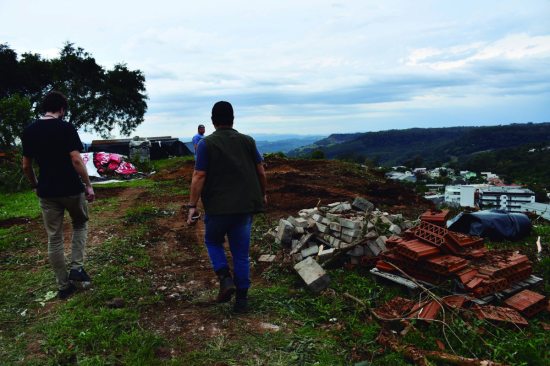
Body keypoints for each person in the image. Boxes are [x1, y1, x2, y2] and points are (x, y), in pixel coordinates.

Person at [186, 101, 267, 313]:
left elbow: (199, 175)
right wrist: (263, 194)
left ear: (213, 121)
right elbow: (260, 171)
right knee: (241, 253)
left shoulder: (206, 144)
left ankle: (224, 278)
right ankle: (242, 300)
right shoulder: (248, 141)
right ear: (233, 119)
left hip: (218, 209)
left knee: (212, 241)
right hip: (244, 209)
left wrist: (192, 206)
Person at [21, 90, 95, 300]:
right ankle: (77, 268)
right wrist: (88, 185)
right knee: (80, 223)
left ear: (44, 107)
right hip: (71, 188)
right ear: (62, 109)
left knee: (54, 237)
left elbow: (26, 165)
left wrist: (36, 185)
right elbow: (76, 160)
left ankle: (63, 286)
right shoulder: (66, 127)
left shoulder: (29, 131)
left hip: (47, 192)